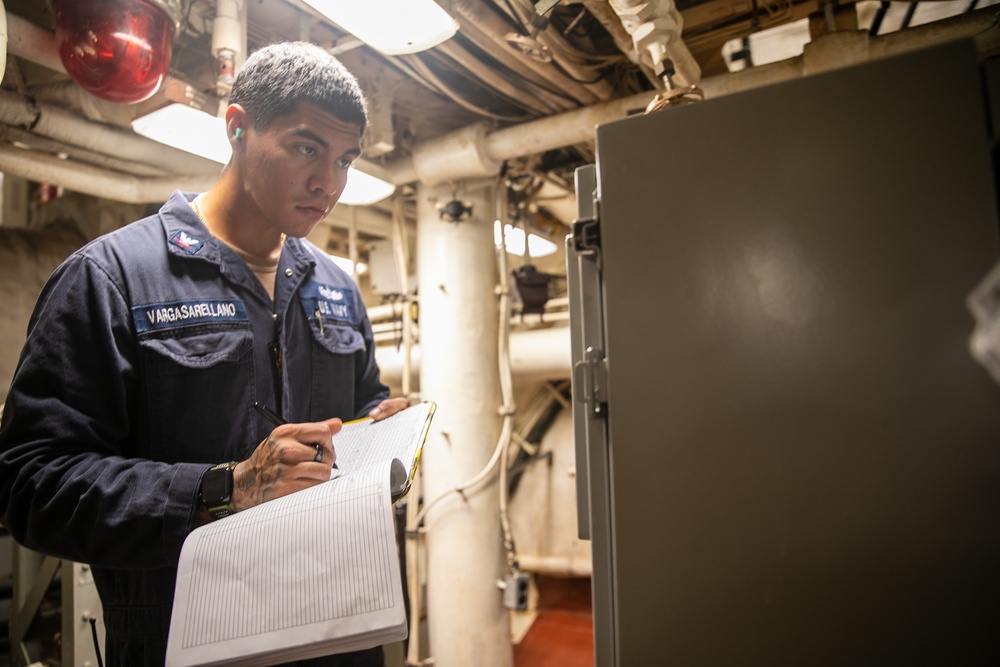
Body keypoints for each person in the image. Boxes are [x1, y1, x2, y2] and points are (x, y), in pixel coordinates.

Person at [0, 42, 407, 666]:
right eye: (307, 148)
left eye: (344, 159)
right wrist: (226, 487)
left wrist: (382, 427)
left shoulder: (335, 286)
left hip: (337, 633)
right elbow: (32, 485)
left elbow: (357, 409)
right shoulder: (113, 279)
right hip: (185, 644)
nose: (329, 183)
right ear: (237, 127)